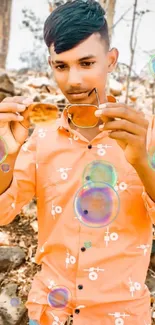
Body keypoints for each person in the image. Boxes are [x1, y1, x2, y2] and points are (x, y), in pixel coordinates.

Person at [0, 1, 155, 324]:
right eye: (61, 66)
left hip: (121, 315)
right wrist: (7, 155)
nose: (73, 81)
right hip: (50, 312)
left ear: (111, 60)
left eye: (86, 63)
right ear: (51, 65)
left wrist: (141, 161)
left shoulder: (147, 134)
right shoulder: (39, 139)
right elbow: (3, 212)